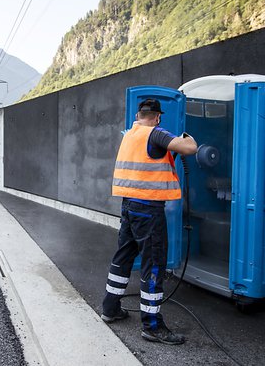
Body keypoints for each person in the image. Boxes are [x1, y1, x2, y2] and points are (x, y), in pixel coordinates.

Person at [101, 98, 197, 345]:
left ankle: (110, 308)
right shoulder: (156, 133)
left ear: (138, 115)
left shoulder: (130, 135)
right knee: (153, 263)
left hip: (129, 207)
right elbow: (189, 149)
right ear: (157, 117)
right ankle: (152, 326)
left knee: (123, 257)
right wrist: (189, 139)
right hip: (149, 209)